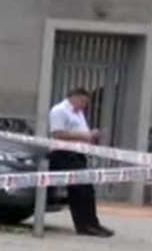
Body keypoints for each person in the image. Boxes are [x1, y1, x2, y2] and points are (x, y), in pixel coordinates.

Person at [47, 87, 115, 238]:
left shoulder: (78, 113)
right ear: (75, 97)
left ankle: (93, 223)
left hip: (78, 155)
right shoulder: (59, 111)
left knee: (87, 191)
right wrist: (84, 136)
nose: (84, 106)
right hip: (64, 154)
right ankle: (84, 225)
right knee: (79, 191)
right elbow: (57, 133)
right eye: (83, 102)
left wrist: (88, 137)